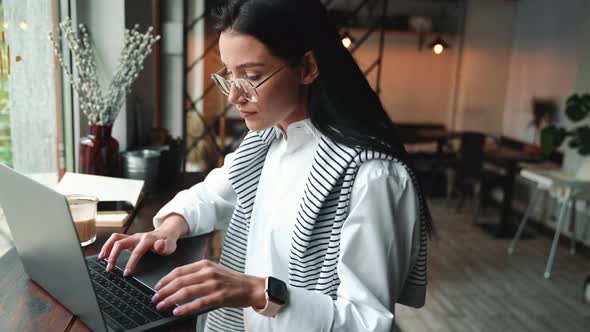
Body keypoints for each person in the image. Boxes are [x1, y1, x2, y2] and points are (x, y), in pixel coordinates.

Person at [99, 0, 432, 331]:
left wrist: (256, 291)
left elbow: (367, 322)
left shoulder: (373, 177)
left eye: (252, 77)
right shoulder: (267, 141)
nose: (233, 96)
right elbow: (214, 193)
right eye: (229, 75)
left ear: (307, 68)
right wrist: (168, 228)